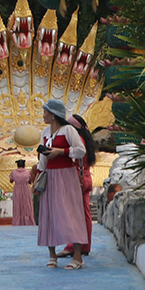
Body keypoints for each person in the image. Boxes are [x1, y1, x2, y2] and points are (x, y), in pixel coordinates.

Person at [37, 99, 88, 269]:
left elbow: (80, 150)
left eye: (45, 112)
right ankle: (52, 255)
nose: (43, 115)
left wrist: (62, 151)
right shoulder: (45, 132)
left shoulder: (68, 130)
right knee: (49, 213)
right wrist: (39, 175)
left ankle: (78, 256)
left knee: (71, 212)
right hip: (50, 175)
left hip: (66, 175)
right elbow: (43, 158)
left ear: (53, 114)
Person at [60, 114, 97, 259]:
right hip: (85, 177)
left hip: (76, 179)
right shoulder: (86, 140)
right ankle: (85, 245)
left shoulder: (77, 140)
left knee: (74, 215)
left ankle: (73, 246)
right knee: (85, 213)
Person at [9, 158, 35, 226]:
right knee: (26, 205)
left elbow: (11, 181)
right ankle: (28, 221)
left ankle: (17, 221)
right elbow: (30, 181)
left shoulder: (14, 172)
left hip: (17, 189)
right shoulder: (28, 172)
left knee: (17, 205)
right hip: (26, 189)